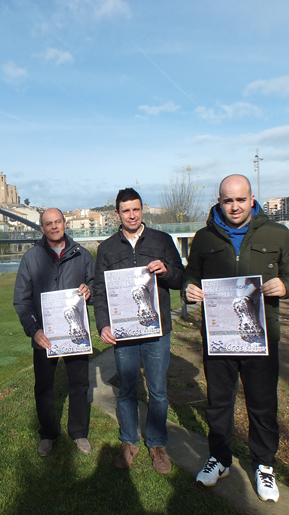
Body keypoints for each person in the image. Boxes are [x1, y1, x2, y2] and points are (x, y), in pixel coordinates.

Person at [183, 174, 289, 502]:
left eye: (240, 199)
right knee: (219, 403)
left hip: (261, 337)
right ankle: (220, 458)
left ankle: (264, 465)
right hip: (219, 337)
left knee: (262, 405)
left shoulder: (277, 234)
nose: (234, 206)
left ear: (252, 199)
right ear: (219, 201)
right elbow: (190, 275)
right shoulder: (204, 238)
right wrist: (188, 288)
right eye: (228, 200)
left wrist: (286, 285)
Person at [93, 188, 184, 474]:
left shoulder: (162, 240)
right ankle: (129, 441)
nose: (132, 215)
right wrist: (103, 323)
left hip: (157, 331)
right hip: (124, 333)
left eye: (136, 209)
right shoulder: (107, 249)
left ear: (142, 209)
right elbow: (99, 290)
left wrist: (166, 270)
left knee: (157, 390)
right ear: (117, 214)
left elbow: (180, 278)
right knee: (127, 389)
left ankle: (157, 444)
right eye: (126, 210)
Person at [13, 208, 95, 456]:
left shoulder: (83, 255)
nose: (54, 226)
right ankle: (47, 433)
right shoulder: (31, 258)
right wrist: (33, 330)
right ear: (42, 228)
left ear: (65, 223)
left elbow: (96, 286)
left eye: (57, 221)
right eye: (48, 223)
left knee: (79, 384)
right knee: (44, 387)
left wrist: (89, 291)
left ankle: (79, 433)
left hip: (75, 334)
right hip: (44, 336)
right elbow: (21, 300)